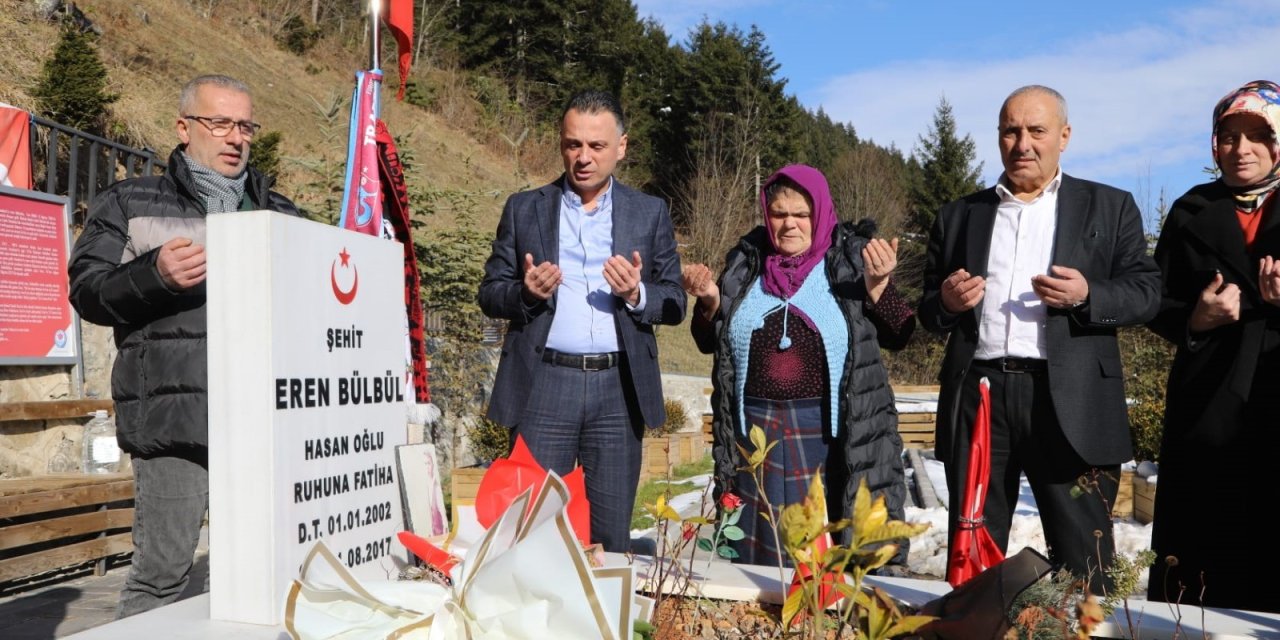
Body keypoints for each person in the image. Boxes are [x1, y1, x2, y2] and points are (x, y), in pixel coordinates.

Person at [68, 74, 299, 618]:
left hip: (264, 421)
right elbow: (87, 292)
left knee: (265, 571)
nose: (235, 137)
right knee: (162, 577)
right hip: (174, 420)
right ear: (184, 127)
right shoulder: (129, 201)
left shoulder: (281, 213)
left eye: (245, 126)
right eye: (219, 123)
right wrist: (155, 275)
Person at [918, 85, 1160, 593]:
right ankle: (974, 625)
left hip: (1071, 399)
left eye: (1036, 131)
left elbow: (1147, 292)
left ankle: (1088, 626)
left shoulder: (1109, 206)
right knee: (973, 555)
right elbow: (929, 311)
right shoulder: (959, 215)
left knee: (1085, 561)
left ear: (1064, 136)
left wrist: (1088, 294)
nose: (1022, 143)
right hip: (981, 396)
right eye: (1011, 131)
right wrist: (947, 302)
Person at [477, 90, 685, 553]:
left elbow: (674, 302)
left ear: (621, 147)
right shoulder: (524, 208)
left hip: (618, 390)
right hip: (543, 386)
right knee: (531, 533)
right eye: (573, 144)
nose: (584, 157)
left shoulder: (649, 212)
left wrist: (636, 294)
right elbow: (490, 293)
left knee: (609, 537)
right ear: (561, 143)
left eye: (596, 146)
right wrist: (526, 294)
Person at [683, 164, 915, 568]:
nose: (788, 223)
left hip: (826, 435)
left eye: (801, 214)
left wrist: (879, 285)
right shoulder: (746, 262)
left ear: (820, 213)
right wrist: (708, 301)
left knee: (825, 550)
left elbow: (900, 332)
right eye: (778, 213)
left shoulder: (849, 262)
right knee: (760, 553)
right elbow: (709, 341)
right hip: (754, 433)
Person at [1145, 80, 1280, 612]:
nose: (1241, 149)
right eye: (1229, 136)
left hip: (1273, 393)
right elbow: (1154, 301)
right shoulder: (1190, 209)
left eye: (1257, 135)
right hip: (1207, 399)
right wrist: (1196, 318)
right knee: (1201, 550)